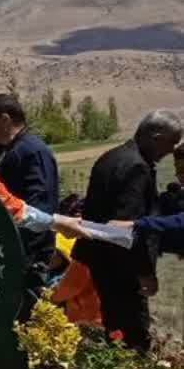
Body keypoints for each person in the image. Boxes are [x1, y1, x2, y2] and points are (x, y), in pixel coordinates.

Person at [73, 110, 184, 352]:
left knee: (115, 324)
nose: (172, 150)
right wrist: (145, 272)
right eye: (172, 142)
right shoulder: (136, 166)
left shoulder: (113, 156)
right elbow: (128, 230)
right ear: (156, 136)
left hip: (103, 259)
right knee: (133, 334)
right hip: (121, 266)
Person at [0, 93, 60, 318]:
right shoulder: (4, 150)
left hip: (26, 256)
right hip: (5, 252)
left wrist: (19, 253)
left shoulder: (33, 151)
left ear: (5, 120)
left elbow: (41, 206)